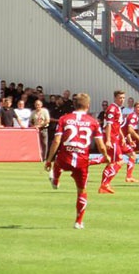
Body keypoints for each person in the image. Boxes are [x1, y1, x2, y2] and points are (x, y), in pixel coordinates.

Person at [45, 92, 110, 229]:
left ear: (74, 104)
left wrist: (49, 160)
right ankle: (78, 222)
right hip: (82, 160)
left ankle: (56, 178)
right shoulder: (93, 122)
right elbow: (100, 144)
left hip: (65, 156)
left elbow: (56, 140)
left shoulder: (64, 119)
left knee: (58, 162)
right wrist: (107, 156)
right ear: (88, 105)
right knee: (82, 191)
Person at [99, 90, 126, 194]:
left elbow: (117, 125)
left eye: (123, 98)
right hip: (112, 138)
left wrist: (122, 137)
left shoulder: (118, 109)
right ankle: (105, 184)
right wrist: (109, 140)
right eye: (120, 98)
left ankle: (104, 186)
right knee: (119, 161)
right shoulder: (112, 108)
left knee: (110, 162)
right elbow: (109, 125)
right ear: (115, 98)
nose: (122, 100)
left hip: (116, 138)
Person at [120, 101, 139, 183]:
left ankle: (129, 177)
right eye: (138, 107)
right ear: (134, 108)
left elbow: (126, 130)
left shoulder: (133, 116)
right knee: (131, 155)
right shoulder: (133, 116)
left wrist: (130, 140)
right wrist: (138, 138)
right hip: (118, 138)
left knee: (132, 155)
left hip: (120, 138)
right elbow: (130, 130)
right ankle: (129, 177)